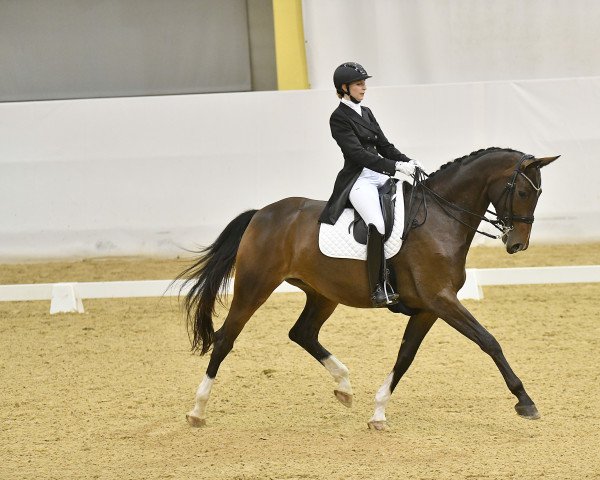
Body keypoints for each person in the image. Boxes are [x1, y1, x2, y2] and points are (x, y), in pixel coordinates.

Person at [318, 62, 424, 308]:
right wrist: (395, 168)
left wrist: (408, 161)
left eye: (364, 83)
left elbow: (385, 146)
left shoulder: (366, 112)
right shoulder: (338, 118)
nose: (364, 87)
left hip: (381, 174)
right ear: (344, 88)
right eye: (359, 83)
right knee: (376, 223)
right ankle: (378, 286)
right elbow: (358, 155)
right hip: (359, 179)